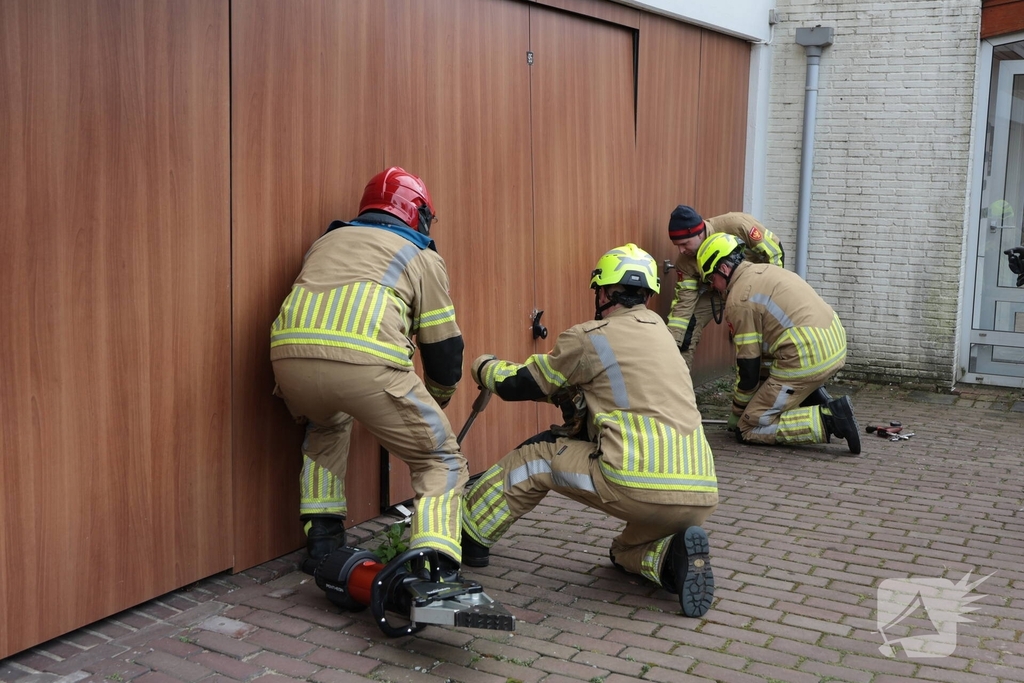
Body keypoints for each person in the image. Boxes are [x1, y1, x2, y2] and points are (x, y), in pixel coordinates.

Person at [460, 244, 719, 618]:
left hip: (632, 481)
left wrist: (485, 367)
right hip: (699, 491)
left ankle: (469, 533)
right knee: (622, 552)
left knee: (537, 457)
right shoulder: (663, 335)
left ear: (605, 291)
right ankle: (670, 561)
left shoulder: (590, 336)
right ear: (647, 294)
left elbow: (525, 383)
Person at [270, 167, 468, 576]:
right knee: (440, 460)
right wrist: (437, 400)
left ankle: (323, 541)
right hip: (367, 363)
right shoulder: (421, 255)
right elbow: (444, 350)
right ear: (419, 215)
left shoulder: (325, 242)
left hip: (289, 363)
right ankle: (435, 566)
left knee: (326, 427)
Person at [695, 232, 861, 454]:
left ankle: (831, 419)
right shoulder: (765, 270)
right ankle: (819, 401)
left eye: (710, 279)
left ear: (724, 269)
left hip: (806, 357)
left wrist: (739, 412)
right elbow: (764, 357)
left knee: (749, 427)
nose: (713, 287)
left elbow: (749, 369)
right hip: (833, 344)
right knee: (775, 380)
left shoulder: (739, 300)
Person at [666, 205, 784, 370]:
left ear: (699, 233)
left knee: (763, 326)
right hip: (718, 290)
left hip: (756, 286)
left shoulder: (737, 225)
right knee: (689, 326)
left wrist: (772, 291)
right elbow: (684, 304)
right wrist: (673, 341)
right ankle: (678, 377)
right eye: (677, 245)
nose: (681, 250)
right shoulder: (685, 262)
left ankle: (768, 374)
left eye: (685, 243)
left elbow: (774, 252)